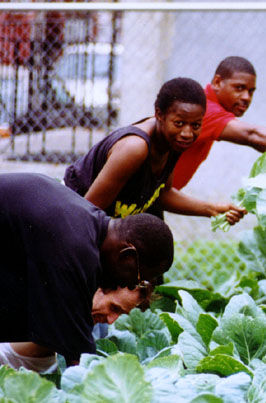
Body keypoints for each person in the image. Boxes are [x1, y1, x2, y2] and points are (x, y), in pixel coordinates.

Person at [0, 172, 174, 366]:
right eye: (136, 278)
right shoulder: (77, 249)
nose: (128, 284)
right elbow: (80, 359)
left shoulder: (86, 225)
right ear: (127, 257)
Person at [63, 77, 246, 225]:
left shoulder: (172, 141)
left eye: (196, 125)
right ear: (159, 114)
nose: (187, 133)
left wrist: (213, 209)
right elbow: (88, 213)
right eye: (179, 123)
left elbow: (162, 194)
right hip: (71, 219)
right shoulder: (135, 148)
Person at [171, 56, 266, 190]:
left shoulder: (204, 105)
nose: (246, 97)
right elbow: (252, 135)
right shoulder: (206, 110)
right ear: (217, 82)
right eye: (239, 88)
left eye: (251, 91)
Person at [0, 283, 153, 373]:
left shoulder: (97, 328)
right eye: (113, 307)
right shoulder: (58, 299)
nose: (112, 320)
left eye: (120, 313)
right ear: (98, 286)